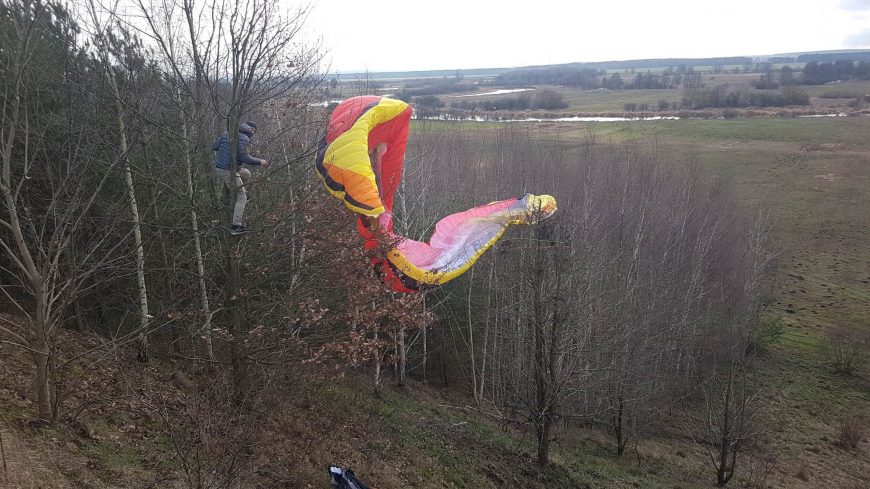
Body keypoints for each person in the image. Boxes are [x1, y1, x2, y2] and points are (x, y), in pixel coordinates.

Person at [212, 121, 268, 235]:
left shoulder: (227, 132)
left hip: (220, 167)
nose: (253, 134)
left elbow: (215, 147)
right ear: (251, 129)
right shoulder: (244, 137)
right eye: (254, 131)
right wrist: (260, 161)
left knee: (246, 173)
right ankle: (236, 226)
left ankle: (237, 192)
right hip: (227, 170)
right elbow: (244, 157)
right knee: (242, 196)